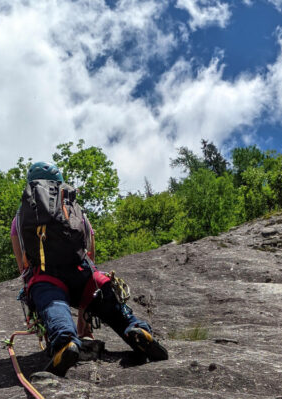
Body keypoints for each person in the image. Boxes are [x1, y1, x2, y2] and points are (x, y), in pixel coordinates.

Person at [11, 161, 168, 376]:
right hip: (82, 273)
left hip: (46, 277)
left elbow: (24, 266)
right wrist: (85, 306)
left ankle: (65, 342)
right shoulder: (74, 209)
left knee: (52, 301)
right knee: (108, 304)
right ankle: (136, 328)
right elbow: (89, 252)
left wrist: (33, 287)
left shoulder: (21, 216)